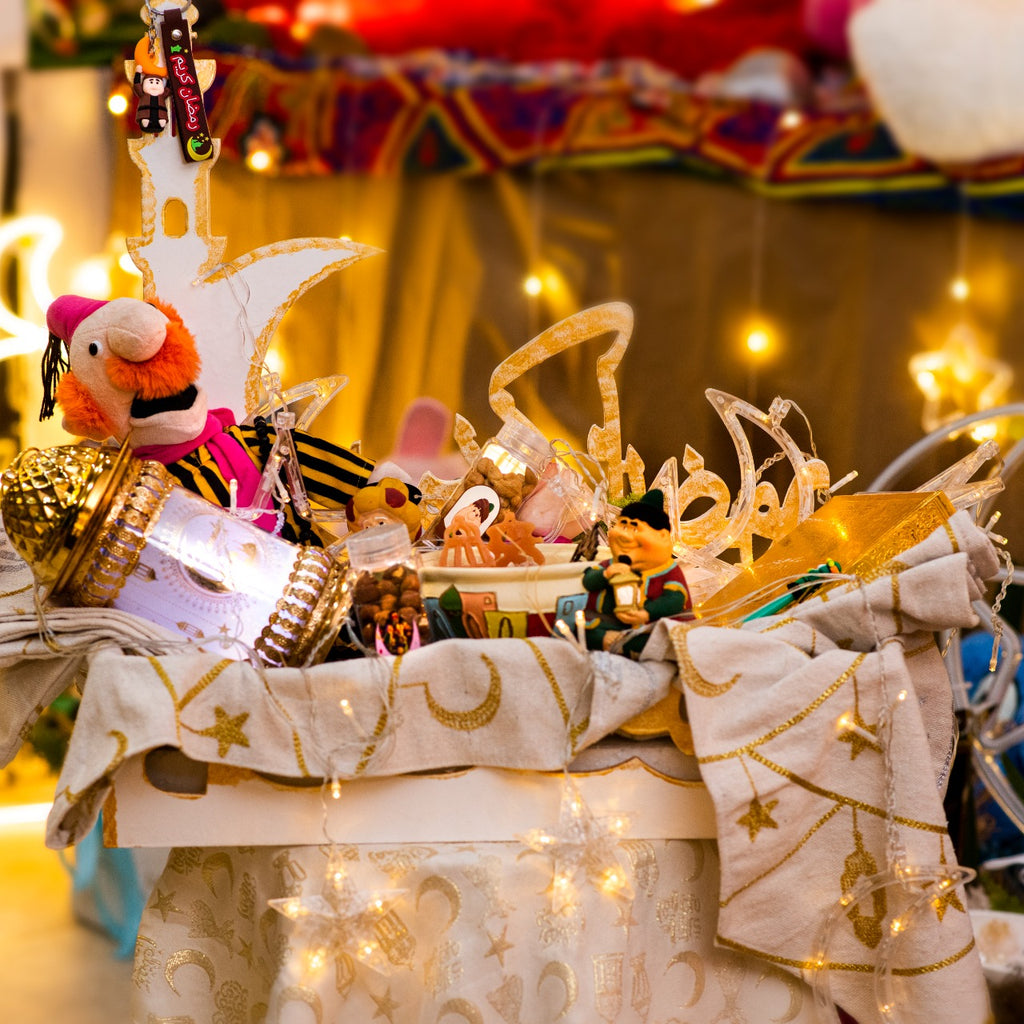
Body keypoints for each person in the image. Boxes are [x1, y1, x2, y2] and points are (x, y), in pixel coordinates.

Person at [582, 489, 691, 655]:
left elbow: (674, 600)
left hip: (653, 625)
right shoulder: (611, 564)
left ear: (662, 536)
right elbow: (588, 581)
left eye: (634, 529)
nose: (624, 536)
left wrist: (646, 613)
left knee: (662, 640)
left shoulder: (668, 570)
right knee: (579, 626)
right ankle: (609, 640)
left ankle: (627, 645)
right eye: (622, 525)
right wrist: (606, 574)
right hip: (612, 621)